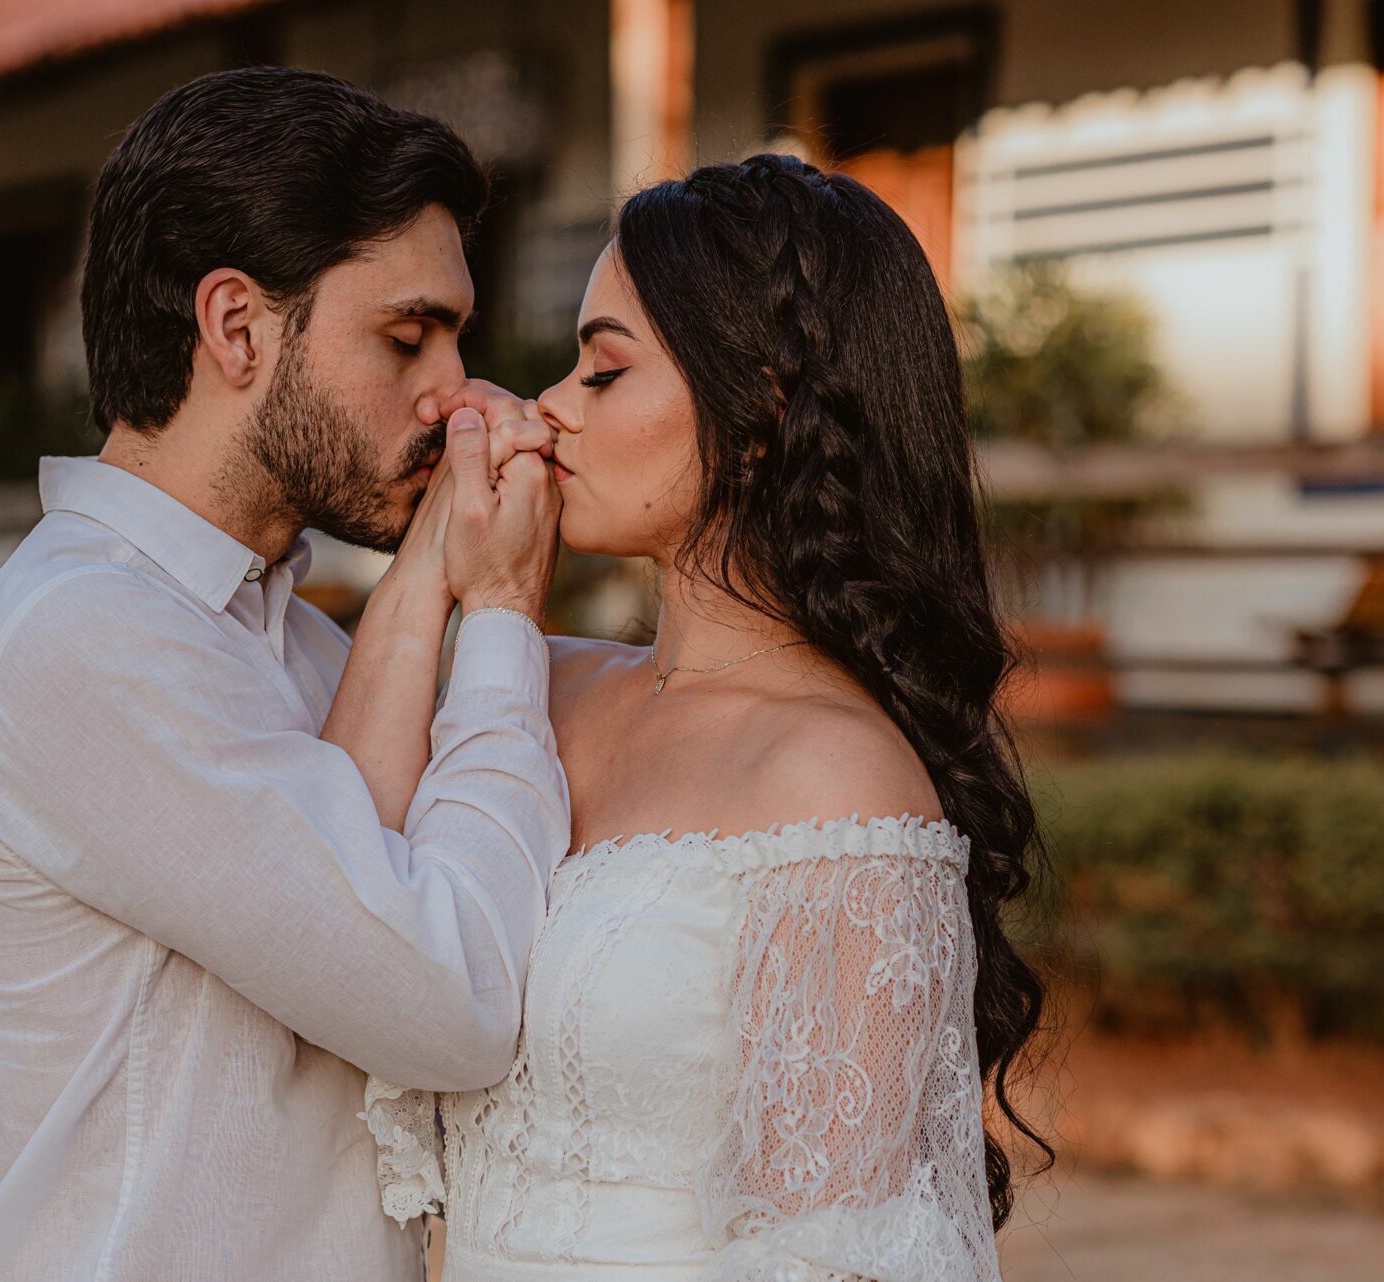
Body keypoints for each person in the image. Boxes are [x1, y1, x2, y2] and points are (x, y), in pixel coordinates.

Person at [0, 68, 570, 1281]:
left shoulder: (309, 646)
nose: (456, 390)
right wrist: (494, 608)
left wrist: (432, 579)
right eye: (407, 334)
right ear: (236, 327)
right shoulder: (78, 641)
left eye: (457, 337)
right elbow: (450, 998)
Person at [362, 154, 1048, 1282]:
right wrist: (444, 568)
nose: (548, 405)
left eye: (602, 370)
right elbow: (341, 889)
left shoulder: (838, 782)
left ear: (764, 407)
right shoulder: (528, 685)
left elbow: (828, 1256)